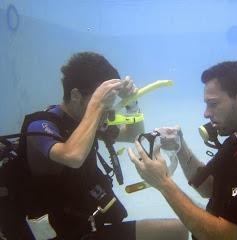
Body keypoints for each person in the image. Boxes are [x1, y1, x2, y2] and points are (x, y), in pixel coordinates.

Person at [128, 61, 237, 240]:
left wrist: (163, 183)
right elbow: (209, 188)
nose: (206, 113)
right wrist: (180, 146)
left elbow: (224, 237)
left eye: (213, 104)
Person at [23, 52, 188, 240]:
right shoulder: (40, 125)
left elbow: (133, 134)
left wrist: (132, 104)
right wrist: (97, 105)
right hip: (57, 234)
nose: (107, 112)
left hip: (84, 226)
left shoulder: (87, 120)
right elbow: (72, 156)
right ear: (76, 95)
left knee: (179, 231)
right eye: (103, 102)